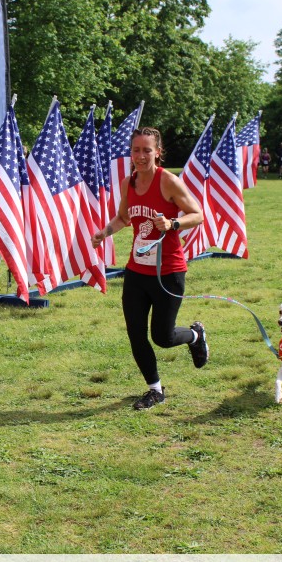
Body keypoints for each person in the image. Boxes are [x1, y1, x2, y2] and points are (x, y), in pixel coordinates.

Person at [90, 126, 209, 410]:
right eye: (136, 150)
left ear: (158, 152)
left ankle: (195, 336)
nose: (141, 156)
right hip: (136, 272)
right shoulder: (128, 183)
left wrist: (173, 223)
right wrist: (105, 232)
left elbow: (198, 214)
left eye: (147, 150)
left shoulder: (168, 181)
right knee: (135, 333)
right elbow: (123, 218)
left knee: (163, 337)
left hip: (168, 272)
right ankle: (155, 390)